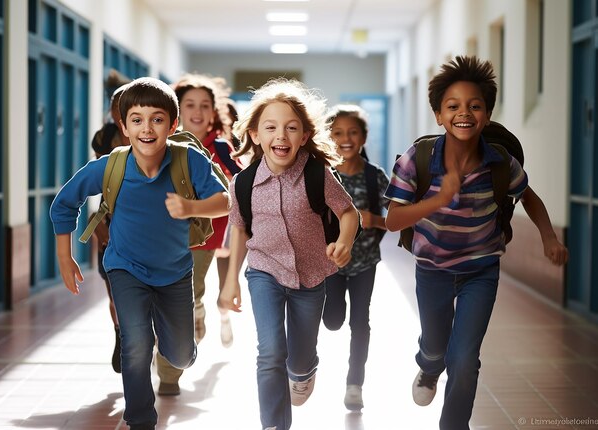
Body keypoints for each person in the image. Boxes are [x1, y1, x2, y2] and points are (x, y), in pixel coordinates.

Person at [384, 56, 568, 430]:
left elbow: (528, 197)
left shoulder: (499, 162)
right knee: (436, 348)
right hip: (432, 270)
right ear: (438, 114)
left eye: (475, 106)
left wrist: (549, 237)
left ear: (486, 115)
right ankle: (428, 367)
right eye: (453, 106)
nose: (464, 113)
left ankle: (454, 424)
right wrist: (436, 200)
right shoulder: (416, 160)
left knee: (465, 358)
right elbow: (393, 220)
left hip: (481, 271)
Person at [49, 77, 230, 430]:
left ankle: (176, 343)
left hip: (176, 271)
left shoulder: (189, 159)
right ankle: (140, 420)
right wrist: (63, 256)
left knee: (179, 354)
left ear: (172, 125)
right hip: (125, 268)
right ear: (124, 125)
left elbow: (225, 201)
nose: (147, 128)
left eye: (157, 119)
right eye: (137, 120)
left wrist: (192, 206)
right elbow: (64, 203)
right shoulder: (110, 166)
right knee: (136, 343)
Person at [218, 78, 361, 430]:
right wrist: (231, 281)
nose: (280, 136)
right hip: (263, 272)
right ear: (254, 134)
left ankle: (304, 370)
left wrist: (344, 242)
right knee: (269, 353)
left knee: (298, 358)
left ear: (303, 137)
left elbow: (348, 213)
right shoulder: (244, 182)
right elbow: (238, 229)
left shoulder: (318, 175)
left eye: (291, 128)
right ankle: (274, 425)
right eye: (271, 127)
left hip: (311, 276)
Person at [153, 73, 242, 396]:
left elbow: (240, 191)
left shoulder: (221, 147)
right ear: (176, 110)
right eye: (189, 104)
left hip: (203, 238)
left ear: (214, 112)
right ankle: (180, 330)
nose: (198, 111)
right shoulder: (158, 141)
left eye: (205, 105)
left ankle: (168, 373)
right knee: (158, 298)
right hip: (156, 236)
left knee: (188, 295)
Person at [322, 104, 390, 411]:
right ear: (328, 136)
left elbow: (399, 217)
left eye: (352, 132)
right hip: (330, 264)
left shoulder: (375, 177)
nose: (345, 139)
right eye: (337, 133)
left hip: (365, 262)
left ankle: (354, 384)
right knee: (333, 320)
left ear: (363, 137)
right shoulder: (323, 174)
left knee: (360, 322)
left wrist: (373, 220)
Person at [90, 83, 130, 374]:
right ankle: (122, 334)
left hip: (147, 225)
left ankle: (141, 337)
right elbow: (98, 181)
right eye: (116, 111)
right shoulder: (104, 139)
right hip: (110, 222)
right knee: (114, 294)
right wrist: (97, 224)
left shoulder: (156, 134)